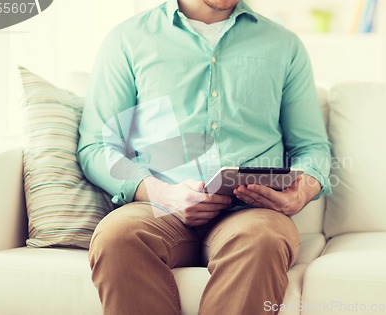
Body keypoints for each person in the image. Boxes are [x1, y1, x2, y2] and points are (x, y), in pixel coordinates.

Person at [77, 0, 332, 314]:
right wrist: (164, 194)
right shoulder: (127, 39)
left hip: (251, 213)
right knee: (116, 237)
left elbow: (312, 147)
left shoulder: (283, 44)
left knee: (263, 239)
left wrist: (301, 193)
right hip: (157, 206)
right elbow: (97, 147)